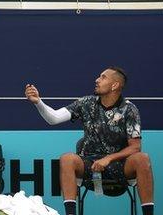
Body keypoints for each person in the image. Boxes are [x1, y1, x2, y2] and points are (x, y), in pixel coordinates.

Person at [25, 67, 154, 215]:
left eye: (103, 77)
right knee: (67, 159)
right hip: (89, 164)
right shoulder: (86, 103)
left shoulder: (130, 109)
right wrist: (38, 102)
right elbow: (53, 118)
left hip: (120, 165)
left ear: (115, 85)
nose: (97, 80)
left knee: (142, 159)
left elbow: (135, 147)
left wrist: (108, 159)